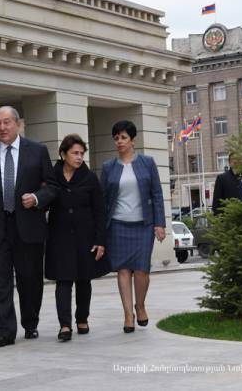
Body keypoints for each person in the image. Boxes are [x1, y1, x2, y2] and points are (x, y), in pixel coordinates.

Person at [0, 106, 58, 348]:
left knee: (30, 280)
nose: (2, 127)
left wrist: (37, 198)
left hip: (28, 226)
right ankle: (5, 332)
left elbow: (51, 186)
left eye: (7, 122)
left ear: (18, 124)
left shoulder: (37, 151)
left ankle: (30, 323)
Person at [101, 120, 165, 334]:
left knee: (141, 271)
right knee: (123, 269)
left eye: (123, 137)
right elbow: (103, 199)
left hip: (143, 225)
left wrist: (159, 224)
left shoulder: (147, 163)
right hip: (118, 224)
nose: (119, 141)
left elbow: (156, 194)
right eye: (117, 138)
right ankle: (128, 314)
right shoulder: (108, 167)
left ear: (133, 140)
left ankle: (140, 305)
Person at [46, 134, 109, 342]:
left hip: (85, 237)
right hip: (59, 237)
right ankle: (64, 325)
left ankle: (82, 318)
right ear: (63, 154)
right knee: (63, 281)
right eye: (75, 153)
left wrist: (100, 240)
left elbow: (100, 211)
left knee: (83, 280)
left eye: (82, 153)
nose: (79, 157)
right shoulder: (51, 175)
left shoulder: (90, 177)